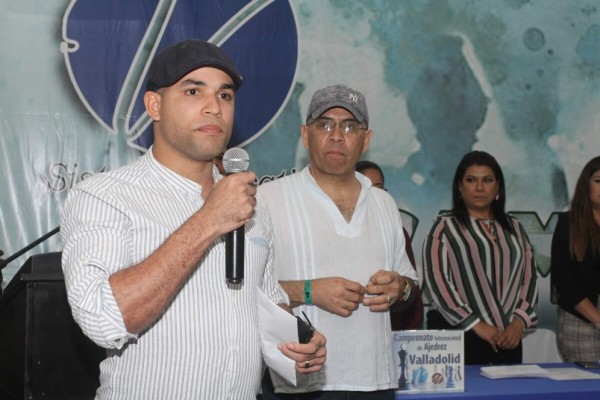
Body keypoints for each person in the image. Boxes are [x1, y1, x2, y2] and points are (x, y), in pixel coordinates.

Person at [60, 39, 326, 400]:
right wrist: (208, 220)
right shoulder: (105, 196)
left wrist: (295, 343)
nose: (214, 107)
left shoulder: (250, 202)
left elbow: (266, 299)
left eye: (225, 95)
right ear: (154, 105)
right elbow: (101, 318)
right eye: (193, 91)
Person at [259, 84, 418, 399]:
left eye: (349, 126)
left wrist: (400, 288)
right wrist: (308, 291)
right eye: (324, 125)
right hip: (301, 383)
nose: (336, 136)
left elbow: (409, 287)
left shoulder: (384, 203)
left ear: (365, 140)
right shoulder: (268, 199)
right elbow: (244, 294)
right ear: (306, 135)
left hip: (376, 381)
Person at [422, 150, 538, 365]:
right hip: (458, 335)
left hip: (508, 337)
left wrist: (518, 323)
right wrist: (477, 325)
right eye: (471, 180)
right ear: (459, 187)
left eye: (487, 180)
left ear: (498, 187)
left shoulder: (514, 227)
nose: (479, 187)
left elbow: (529, 279)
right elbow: (437, 282)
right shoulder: (444, 228)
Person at [355, 160, 424, 330]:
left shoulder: (397, 232)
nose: (374, 195)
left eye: (379, 188)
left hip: (391, 329)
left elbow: (411, 290)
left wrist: (401, 288)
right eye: (366, 188)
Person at [551, 156, 600, 362]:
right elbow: (563, 280)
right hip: (581, 322)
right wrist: (597, 319)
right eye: (598, 181)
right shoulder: (568, 224)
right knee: (589, 382)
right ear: (585, 185)